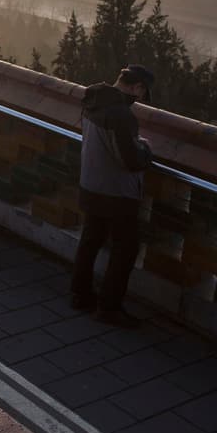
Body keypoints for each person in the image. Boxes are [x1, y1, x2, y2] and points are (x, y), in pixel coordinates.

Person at [69, 64, 155, 328]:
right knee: (126, 250)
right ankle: (109, 308)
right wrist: (145, 148)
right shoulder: (120, 115)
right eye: (142, 93)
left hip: (90, 183)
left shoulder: (92, 99)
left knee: (90, 240)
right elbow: (130, 160)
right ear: (137, 87)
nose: (140, 99)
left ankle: (80, 295)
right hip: (116, 193)